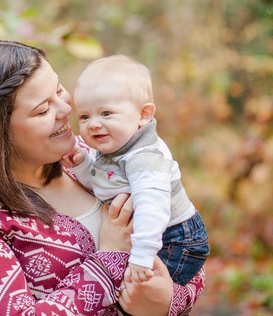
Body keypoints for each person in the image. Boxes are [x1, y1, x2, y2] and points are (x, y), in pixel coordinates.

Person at [0, 40, 205, 316]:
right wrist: (109, 258)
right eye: (43, 110)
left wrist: (166, 302)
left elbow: (184, 246)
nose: (66, 109)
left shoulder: (85, 158)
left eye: (59, 90)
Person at [64, 54, 209, 286]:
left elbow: (153, 209)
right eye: (84, 116)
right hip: (150, 233)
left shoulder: (144, 158)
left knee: (140, 295)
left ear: (143, 115)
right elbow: (107, 184)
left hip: (173, 238)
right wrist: (83, 165)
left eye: (106, 113)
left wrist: (142, 256)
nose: (93, 124)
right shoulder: (115, 146)